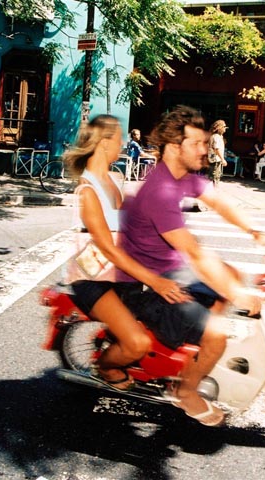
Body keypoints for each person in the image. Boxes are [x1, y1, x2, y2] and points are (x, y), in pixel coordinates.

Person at [118, 105, 265, 426]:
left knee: (230, 276)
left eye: (205, 143)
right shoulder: (159, 191)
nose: (205, 150)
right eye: (197, 144)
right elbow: (194, 252)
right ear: (174, 148)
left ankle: (192, 347)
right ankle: (186, 391)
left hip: (170, 270)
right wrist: (240, 296)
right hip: (146, 285)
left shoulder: (183, 177)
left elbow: (220, 202)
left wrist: (256, 232)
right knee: (217, 334)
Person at [64, 115, 188, 391]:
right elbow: (108, 247)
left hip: (120, 274)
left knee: (174, 313)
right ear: (105, 142)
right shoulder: (86, 191)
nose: (123, 142)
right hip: (93, 280)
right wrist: (154, 279)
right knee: (137, 342)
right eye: (119, 137)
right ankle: (106, 367)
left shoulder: (113, 179)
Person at [207, 120, 228, 186]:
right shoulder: (216, 136)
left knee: (216, 176)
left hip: (215, 159)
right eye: (224, 126)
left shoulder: (218, 136)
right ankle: (213, 191)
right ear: (219, 128)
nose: (225, 128)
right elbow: (216, 149)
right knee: (214, 177)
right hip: (215, 160)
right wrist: (222, 159)